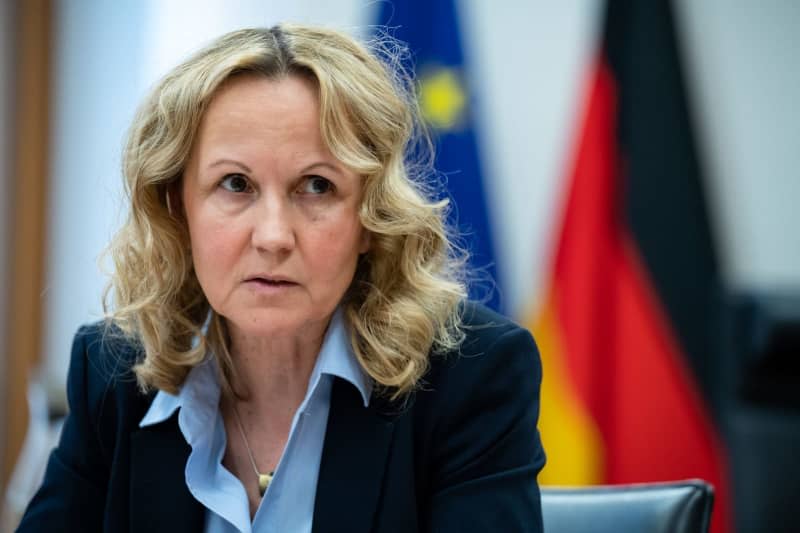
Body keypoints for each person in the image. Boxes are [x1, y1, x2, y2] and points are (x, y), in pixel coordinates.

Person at [17, 24, 545, 533]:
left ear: (370, 218)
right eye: (235, 183)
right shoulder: (113, 372)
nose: (273, 236)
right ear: (179, 210)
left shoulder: (472, 377)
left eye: (316, 186)